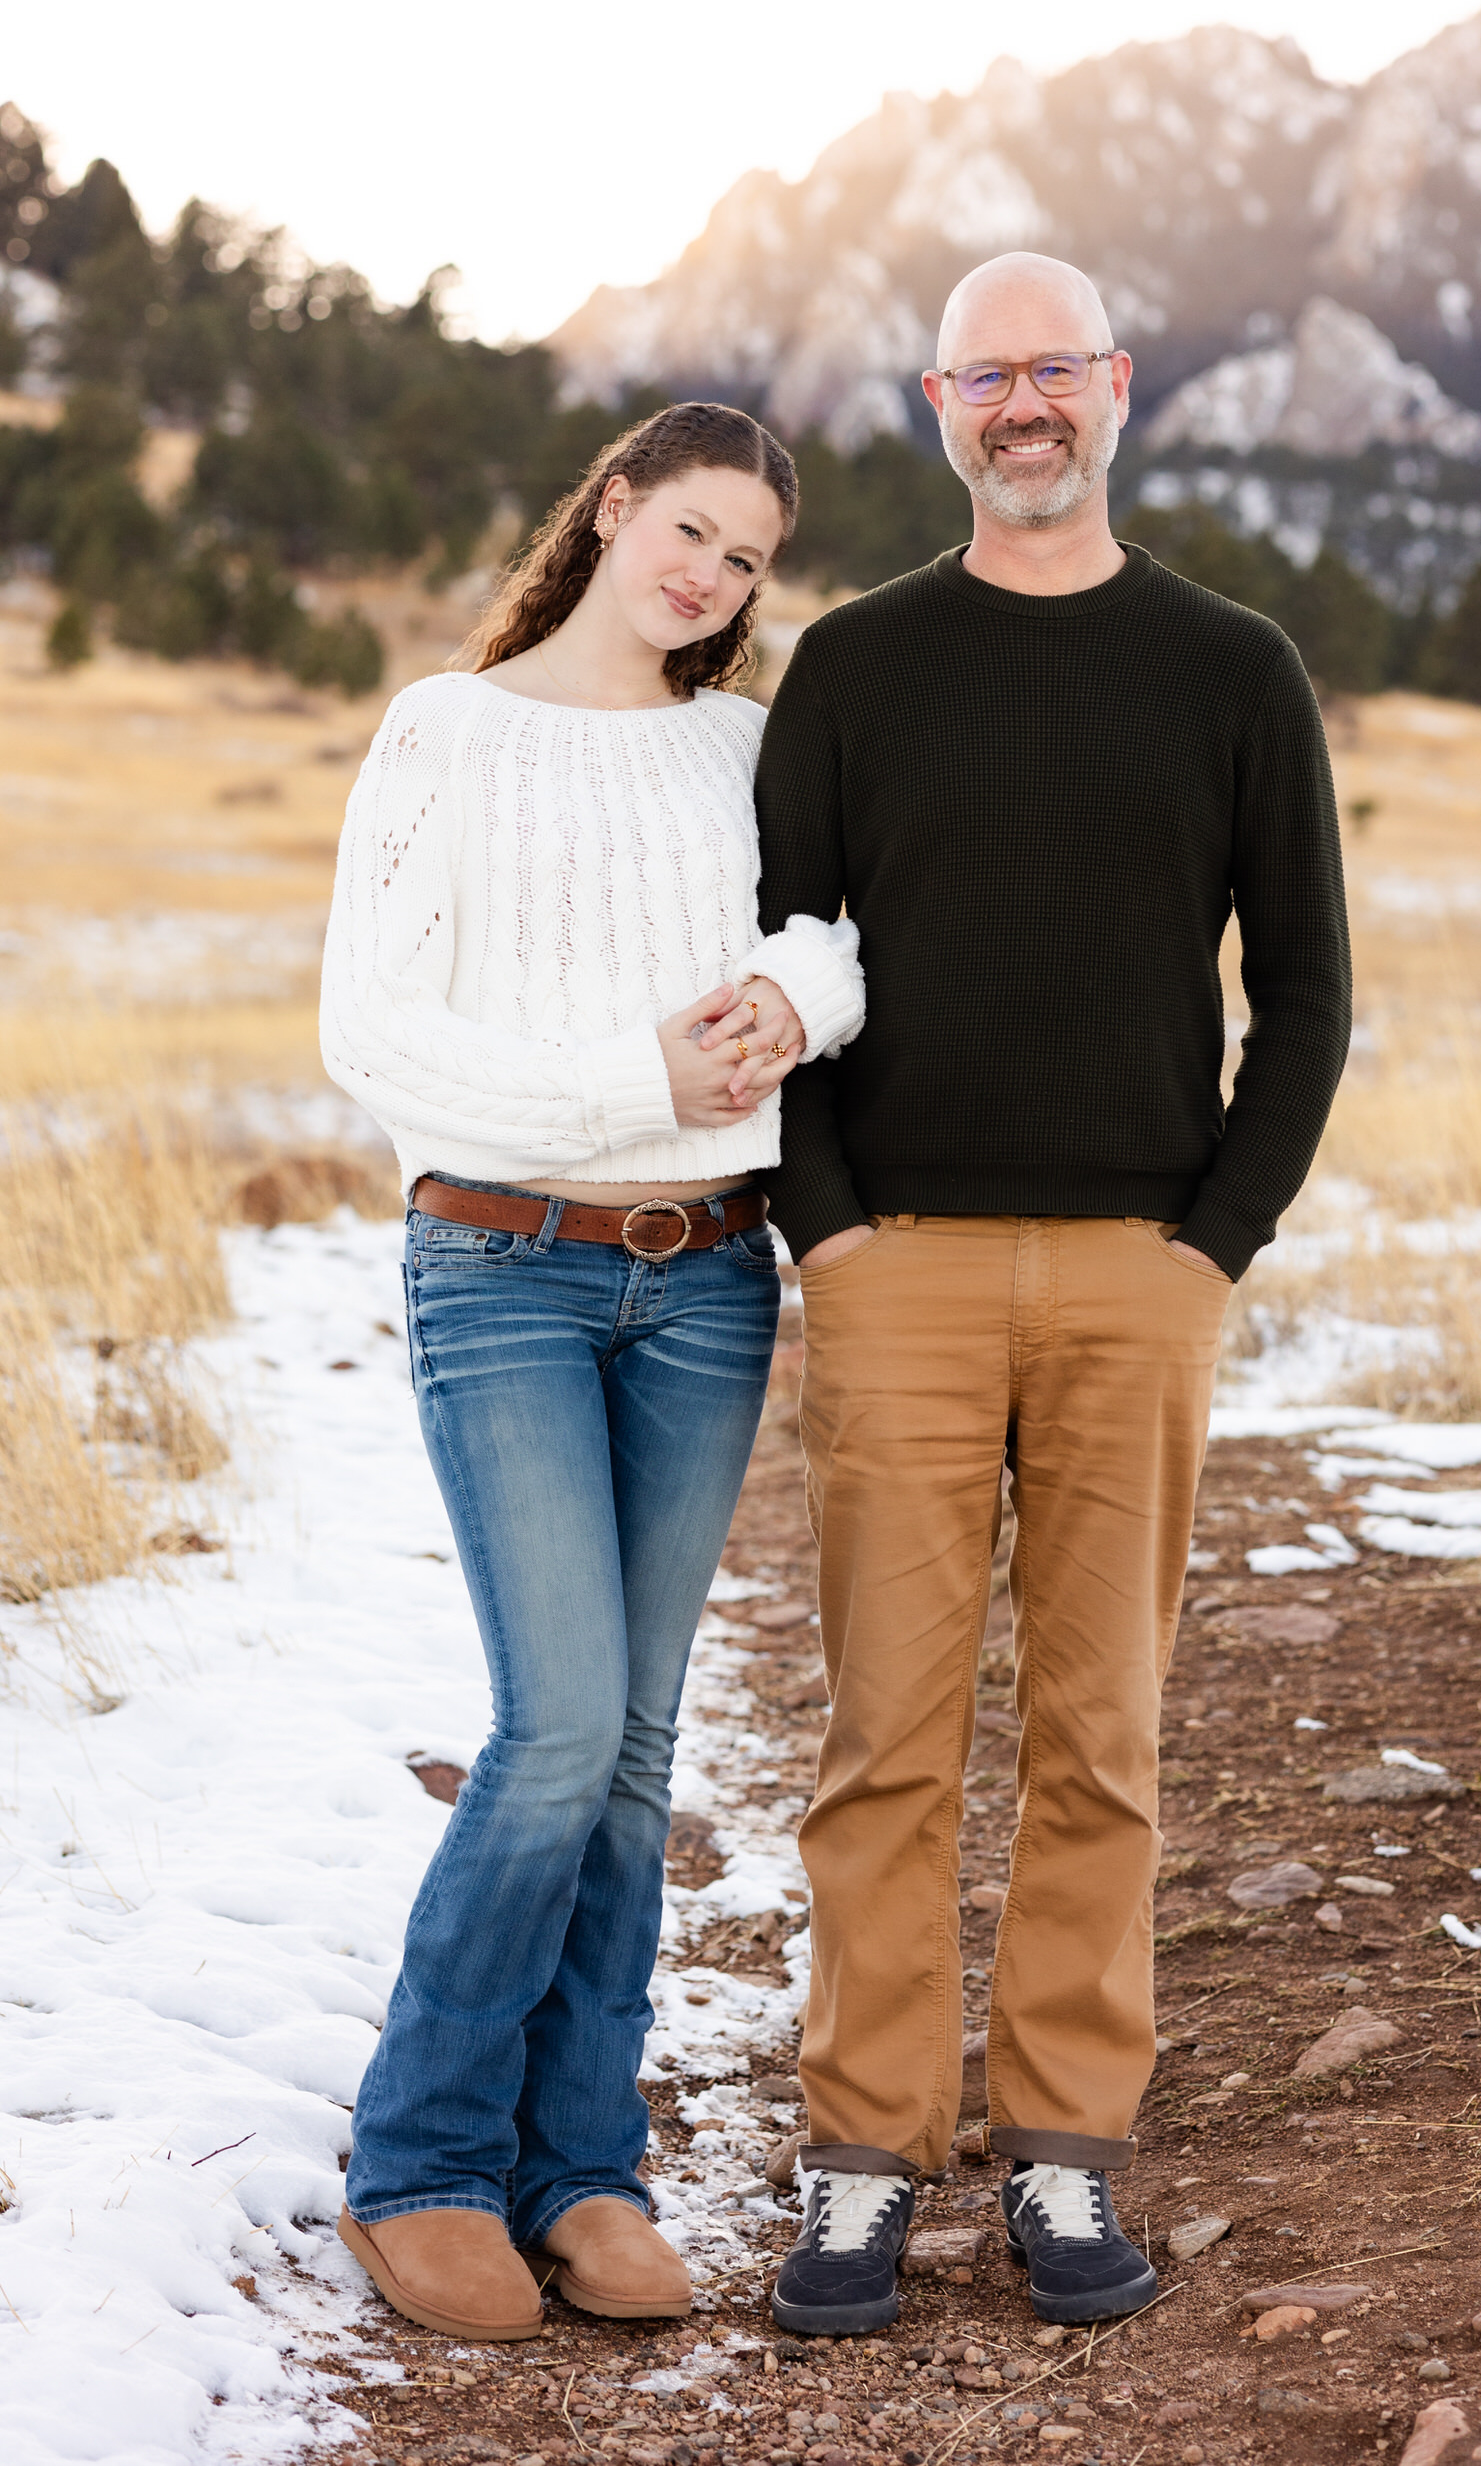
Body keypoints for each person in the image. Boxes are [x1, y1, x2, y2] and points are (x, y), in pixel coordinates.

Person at [754, 254, 1352, 2335]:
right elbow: (784, 965)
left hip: (1136, 1273)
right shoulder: (852, 666)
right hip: (896, 1266)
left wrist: (1212, 1248)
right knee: (885, 1731)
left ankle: (1065, 2157)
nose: (1025, 404)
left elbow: (1308, 997)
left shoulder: (1235, 667)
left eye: (1057, 369)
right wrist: (822, 1225)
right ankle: (857, 2159)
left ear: (1119, 391)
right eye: (986, 372)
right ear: (939, 403)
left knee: (1103, 1733)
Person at [319, 403, 865, 2343]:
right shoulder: (442, 733)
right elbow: (370, 1029)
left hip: (707, 1283)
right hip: (503, 1266)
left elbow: (839, 927)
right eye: (690, 529)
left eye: (746, 561)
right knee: (554, 1722)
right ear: (615, 503)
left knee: (636, 1742)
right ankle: (423, 2156)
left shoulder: (741, 743)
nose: (709, 579)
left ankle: (583, 2158)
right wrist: (638, 1074)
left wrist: (797, 996)